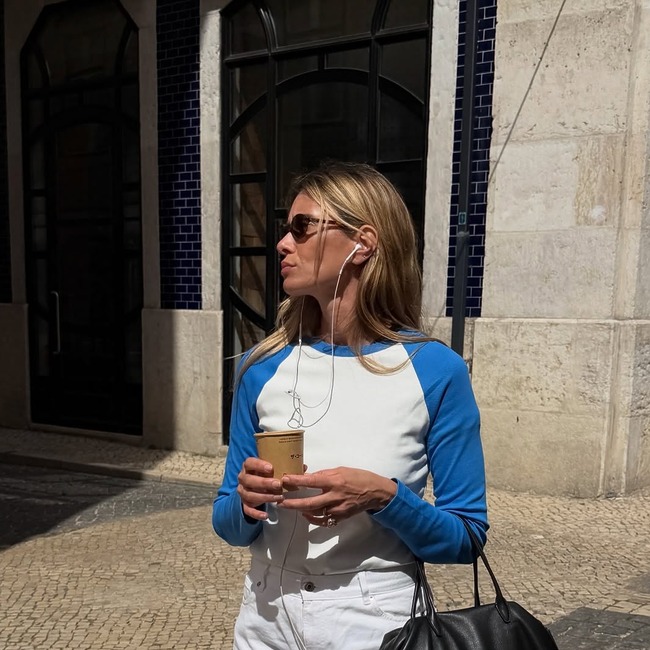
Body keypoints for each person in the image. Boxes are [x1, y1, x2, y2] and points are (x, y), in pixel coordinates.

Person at [212, 161, 488, 650]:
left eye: (302, 227)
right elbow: (229, 525)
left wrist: (383, 497)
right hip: (265, 615)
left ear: (362, 243)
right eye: (285, 229)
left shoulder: (434, 370)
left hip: (376, 619)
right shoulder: (261, 367)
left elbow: (466, 536)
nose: (283, 244)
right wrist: (247, 502)